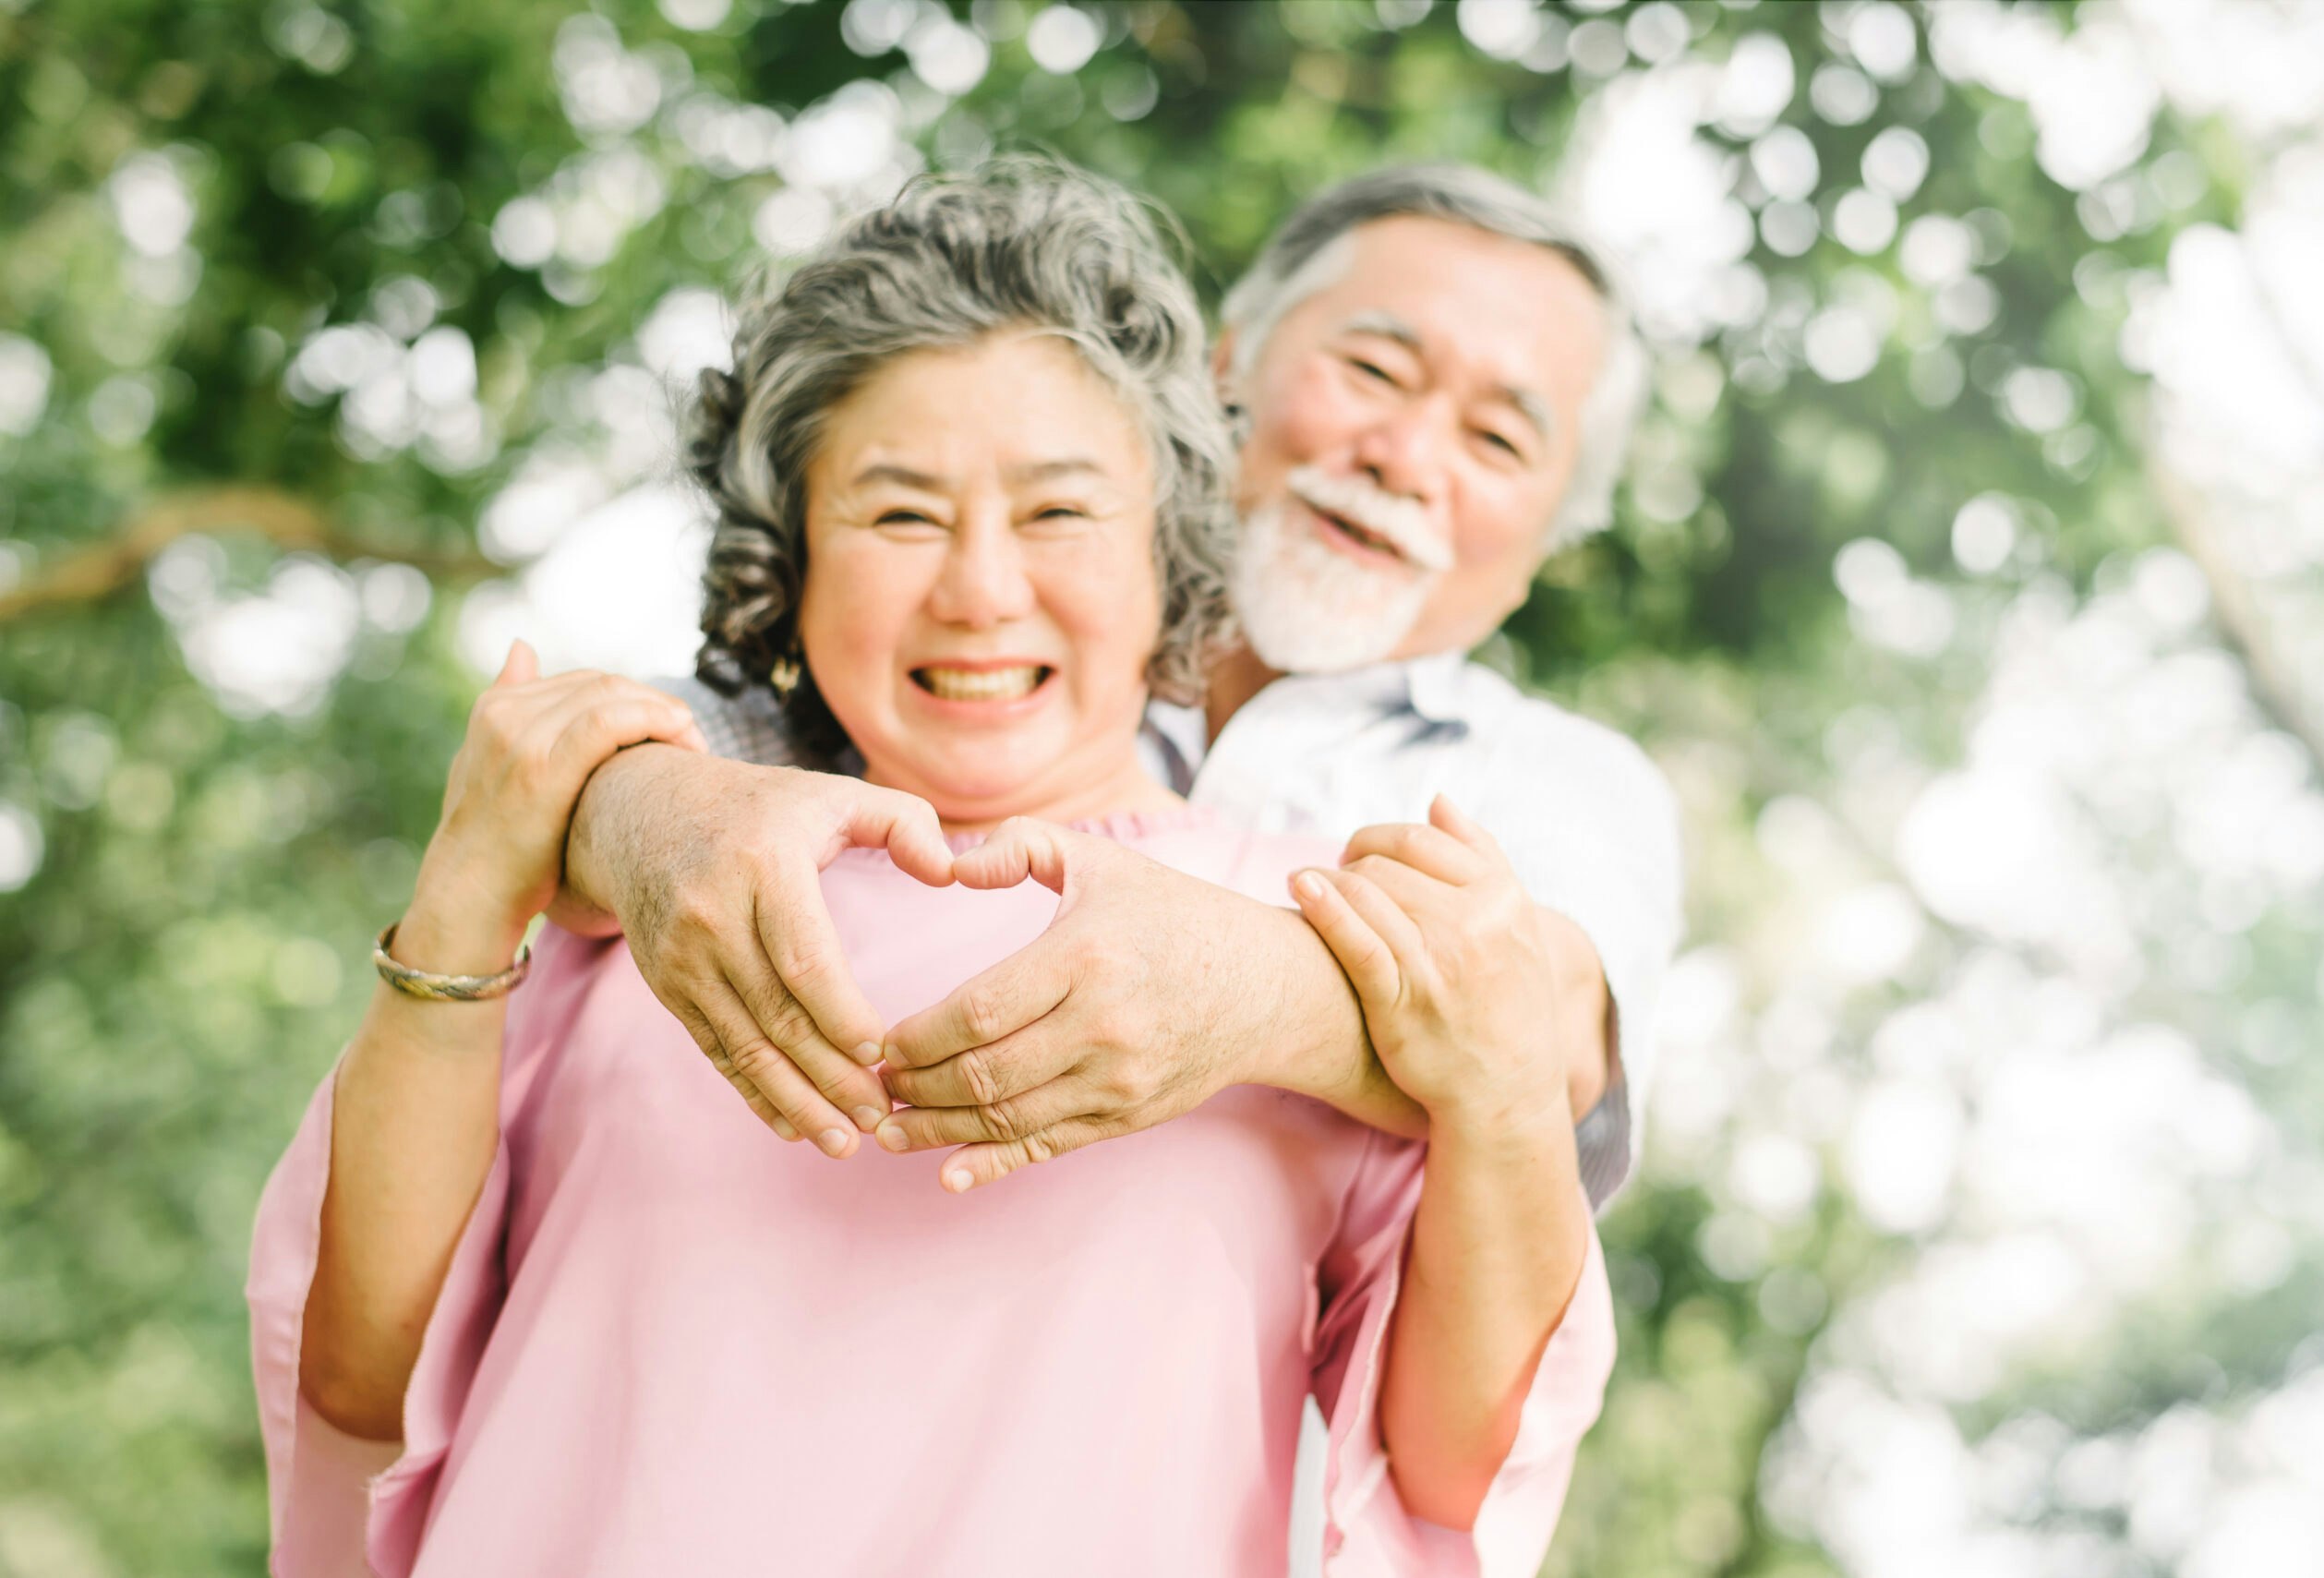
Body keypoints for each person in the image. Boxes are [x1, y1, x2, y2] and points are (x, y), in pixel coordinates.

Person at [249, 165, 1612, 1578]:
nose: (977, 590)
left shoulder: (1318, 936)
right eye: (899, 515)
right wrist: (475, 880)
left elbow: (1455, 1472)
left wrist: (1497, 1082)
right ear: (792, 560)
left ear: (1171, 554)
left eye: (1060, 515)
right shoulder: (648, 888)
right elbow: (361, 1385)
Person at [555, 164, 1682, 1217]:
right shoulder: (1004, 638)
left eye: (1495, 438)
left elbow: (1546, 1030)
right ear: (1227, 362)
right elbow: (645, 754)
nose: (1406, 454)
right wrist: (629, 803)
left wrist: (1247, 990)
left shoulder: (1562, 781)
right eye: (1374, 371)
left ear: (1553, 532)